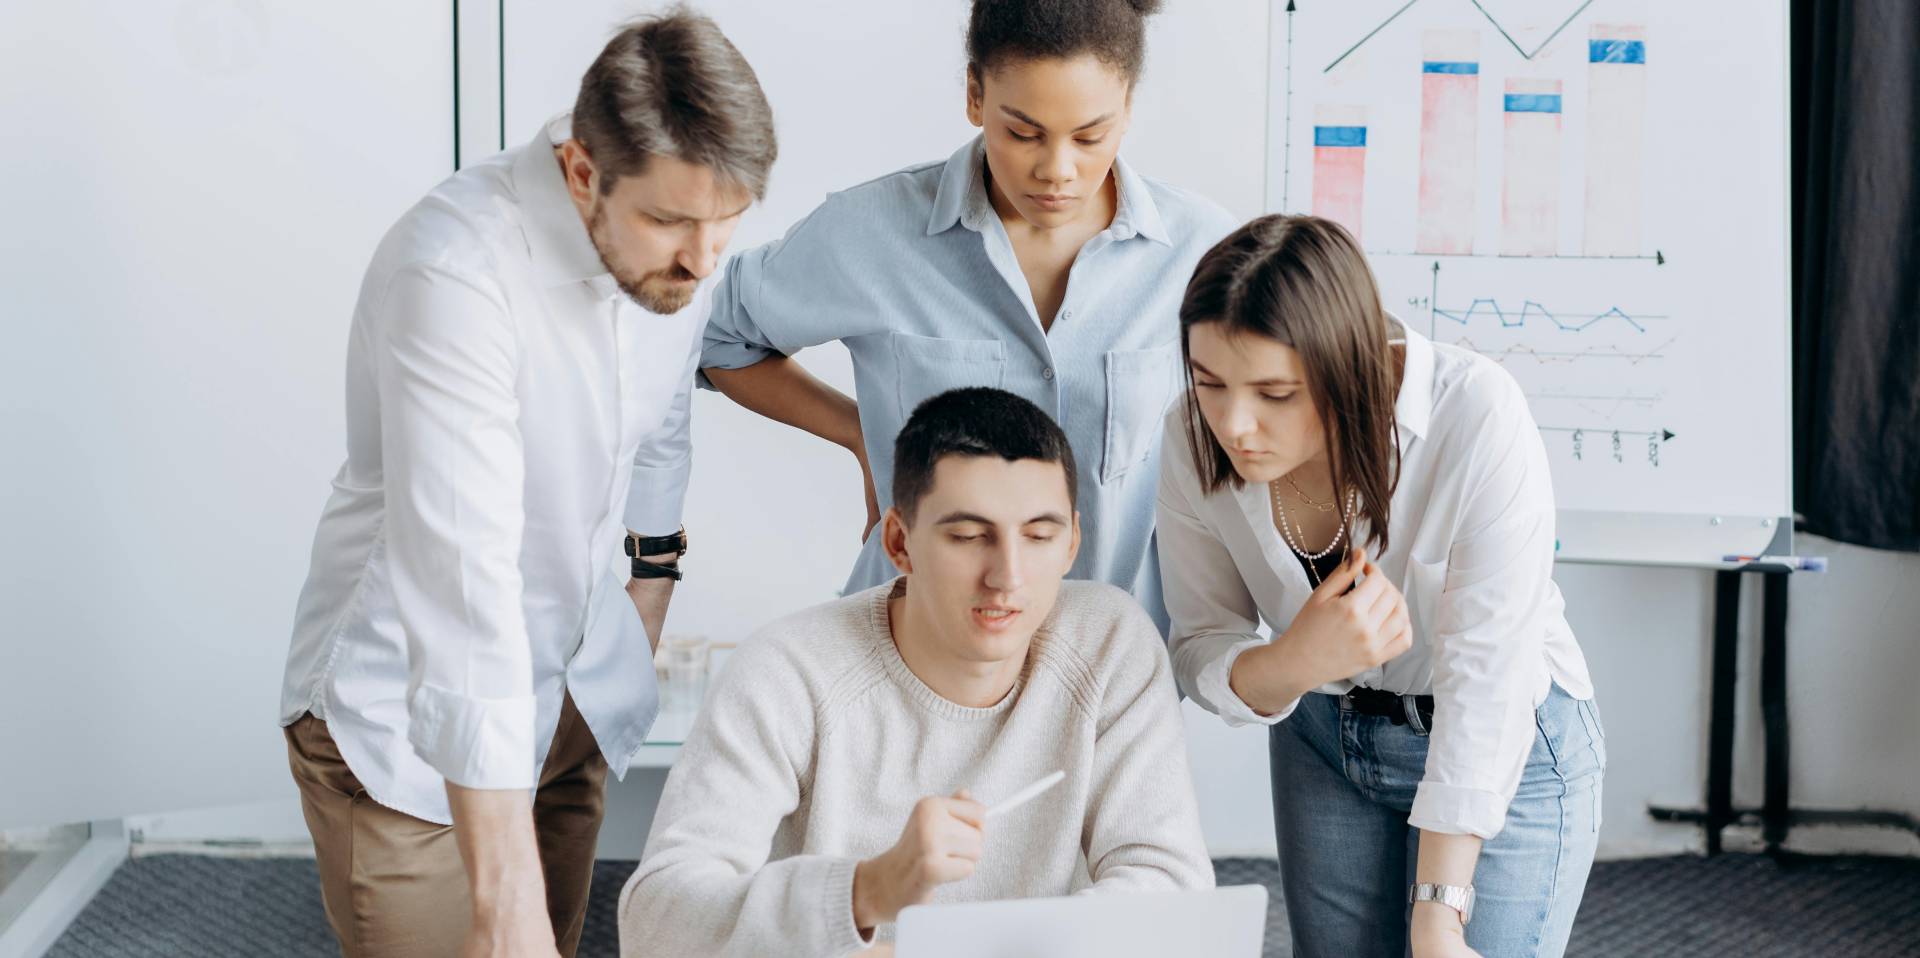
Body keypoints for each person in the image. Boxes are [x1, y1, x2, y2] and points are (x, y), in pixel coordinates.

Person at [276, 13, 775, 956]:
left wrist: (652, 579)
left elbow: (665, 406)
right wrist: (504, 900)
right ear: (583, 171)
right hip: (407, 726)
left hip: (570, 683)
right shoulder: (456, 276)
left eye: (729, 221)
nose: (704, 261)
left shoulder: (681, 231)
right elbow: (463, 589)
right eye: (671, 222)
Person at [699, 0, 1236, 630]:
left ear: (1129, 108)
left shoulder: (1205, 253)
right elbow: (714, 336)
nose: (1057, 170)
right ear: (976, 97)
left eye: (1091, 136)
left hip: (1109, 673)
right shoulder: (873, 232)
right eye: (1024, 132)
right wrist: (860, 438)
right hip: (908, 658)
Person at [619, 388, 1212, 958]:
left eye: (1038, 535)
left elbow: (1170, 887)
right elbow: (656, 921)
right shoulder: (788, 672)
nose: (1007, 576)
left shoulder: (1110, 643)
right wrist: (866, 891)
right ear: (900, 542)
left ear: (1072, 542)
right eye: (968, 536)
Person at [1156, 215, 1606, 958]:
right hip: (1323, 743)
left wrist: (1439, 914)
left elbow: (1486, 684)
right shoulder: (1190, 432)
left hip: (1505, 751)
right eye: (1210, 384)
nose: (1236, 425)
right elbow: (1202, 641)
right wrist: (1297, 661)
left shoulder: (1476, 414)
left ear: (1347, 368)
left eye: (1275, 393)